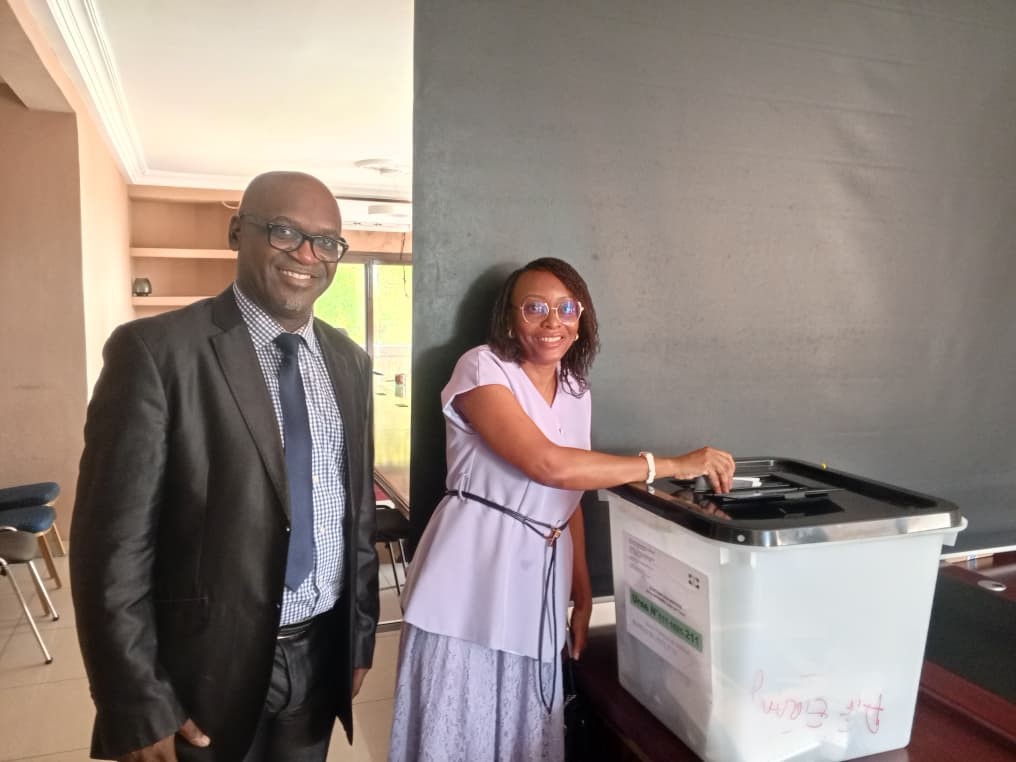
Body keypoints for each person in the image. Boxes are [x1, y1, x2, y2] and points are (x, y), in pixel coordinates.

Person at [71, 171, 379, 762]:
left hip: (319, 658)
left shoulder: (350, 362)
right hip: (199, 672)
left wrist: (359, 637)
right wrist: (135, 700)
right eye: (285, 232)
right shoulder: (156, 353)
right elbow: (110, 550)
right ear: (238, 232)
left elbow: (356, 517)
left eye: (326, 243)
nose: (307, 256)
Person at [388, 257, 735, 761]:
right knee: (462, 717)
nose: (553, 321)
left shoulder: (575, 389)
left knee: (524, 721)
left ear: (581, 318)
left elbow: (570, 493)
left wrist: (582, 593)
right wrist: (669, 465)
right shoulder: (482, 368)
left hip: (541, 576)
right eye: (535, 308)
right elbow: (548, 464)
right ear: (510, 318)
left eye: (567, 308)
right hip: (473, 567)